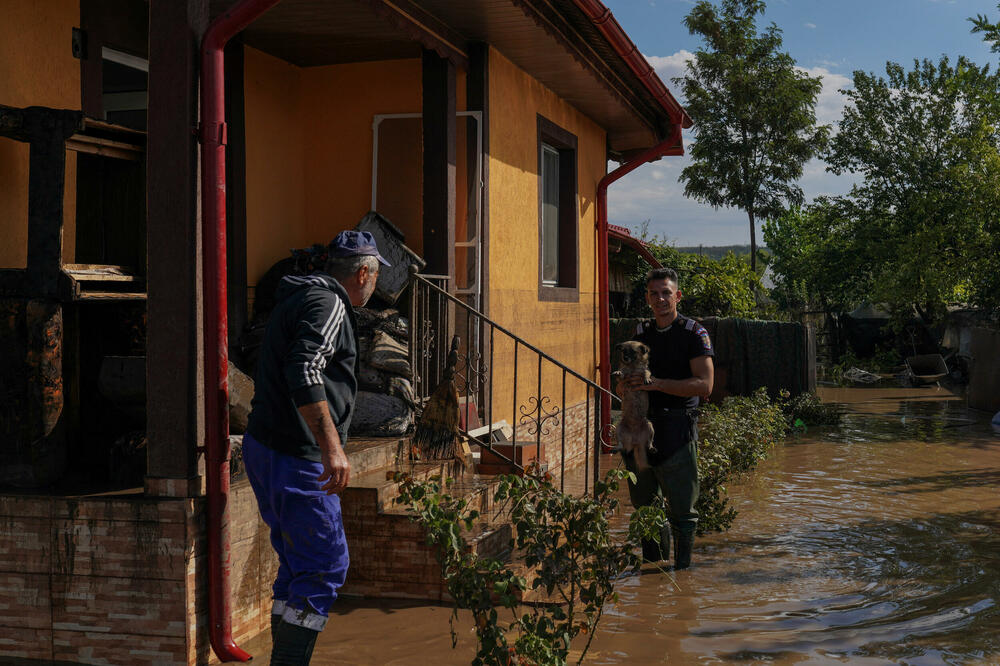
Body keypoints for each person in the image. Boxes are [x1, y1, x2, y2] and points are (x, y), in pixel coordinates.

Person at [242, 230, 389, 664]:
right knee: (325, 567)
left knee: (297, 565)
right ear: (363, 273)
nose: (375, 285)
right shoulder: (328, 304)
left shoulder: (300, 297)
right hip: (296, 456)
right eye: (375, 276)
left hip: (268, 448)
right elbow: (305, 367)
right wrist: (332, 447)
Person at [617, 267, 714, 570]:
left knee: (683, 512)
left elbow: (705, 385)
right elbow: (621, 385)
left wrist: (656, 383)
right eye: (654, 293)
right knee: (645, 508)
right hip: (639, 430)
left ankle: (682, 574)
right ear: (647, 298)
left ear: (677, 296)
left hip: (676, 430)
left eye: (666, 293)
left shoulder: (693, 333)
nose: (660, 299)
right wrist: (623, 384)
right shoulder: (640, 334)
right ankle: (654, 575)